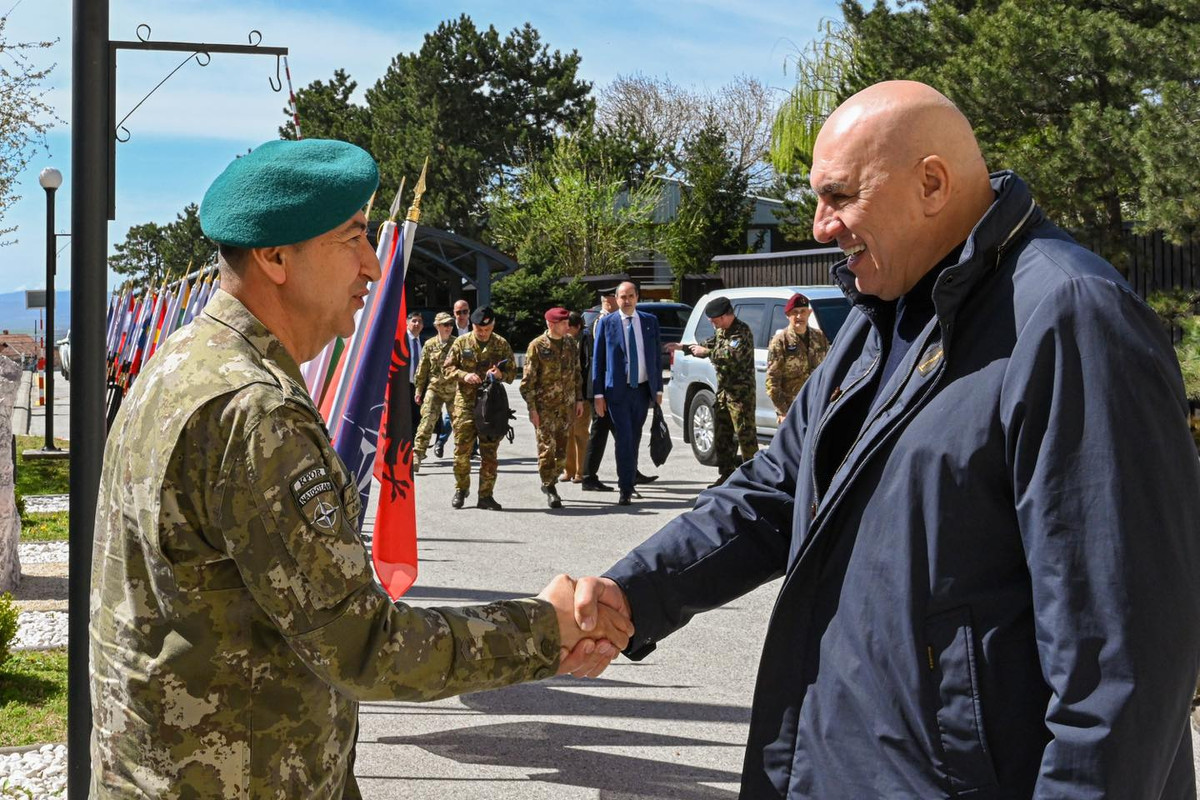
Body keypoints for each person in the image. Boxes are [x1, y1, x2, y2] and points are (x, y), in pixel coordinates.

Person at [574, 81, 1200, 797]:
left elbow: (1122, 669)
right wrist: (632, 594)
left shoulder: (1071, 321)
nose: (818, 225)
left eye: (839, 196)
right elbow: (774, 492)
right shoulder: (886, 314)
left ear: (931, 182)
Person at [89, 138, 633, 800]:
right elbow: (365, 645)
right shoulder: (256, 412)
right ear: (275, 256)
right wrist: (547, 628)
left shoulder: (183, 363)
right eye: (352, 240)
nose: (374, 268)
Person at [669, 296, 757, 486]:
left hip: (740, 396)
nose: (711, 322)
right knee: (722, 436)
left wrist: (706, 353)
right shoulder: (721, 331)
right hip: (724, 394)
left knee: (745, 437)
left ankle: (754, 479)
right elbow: (707, 344)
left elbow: (729, 355)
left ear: (726, 316)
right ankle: (726, 475)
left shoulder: (741, 332)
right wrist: (683, 347)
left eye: (714, 318)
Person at [591, 281, 663, 506]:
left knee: (635, 437)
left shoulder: (650, 322)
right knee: (624, 437)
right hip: (617, 392)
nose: (626, 300)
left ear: (637, 297)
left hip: (642, 390)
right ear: (615, 299)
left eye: (630, 296)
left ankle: (629, 479)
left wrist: (658, 388)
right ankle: (625, 487)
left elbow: (655, 358)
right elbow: (598, 360)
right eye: (622, 297)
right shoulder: (607, 323)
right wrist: (598, 394)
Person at [444, 305, 516, 510]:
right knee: (462, 451)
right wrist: (464, 375)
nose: (483, 333)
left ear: (492, 325)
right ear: (473, 326)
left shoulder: (501, 344)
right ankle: (461, 488)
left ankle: (485, 495)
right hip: (465, 404)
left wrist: (502, 375)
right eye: (479, 329)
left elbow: (512, 371)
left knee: (489, 452)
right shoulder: (461, 342)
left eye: (487, 329)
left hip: (491, 406)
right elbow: (447, 368)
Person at [520, 307, 585, 509]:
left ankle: (551, 478)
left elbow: (576, 373)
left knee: (562, 453)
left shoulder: (570, 343)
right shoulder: (537, 346)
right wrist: (532, 409)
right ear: (551, 324)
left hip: (566, 406)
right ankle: (550, 487)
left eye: (567, 323)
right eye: (563, 323)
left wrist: (579, 400)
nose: (568, 326)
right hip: (544, 408)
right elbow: (527, 382)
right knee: (547, 450)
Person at [765, 292, 828, 424]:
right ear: (788, 315)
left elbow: (828, 369)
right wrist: (782, 412)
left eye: (803, 311)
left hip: (817, 406)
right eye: (795, 312)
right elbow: (772, 382)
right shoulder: (780, 341)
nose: (799, 316)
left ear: (809, 313)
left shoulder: (819, 337)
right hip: (792, 409)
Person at [412, 311, 457, 472]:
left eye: (450, 324)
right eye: (445, 324)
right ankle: (417, 454)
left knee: (460, 424)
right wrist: (418, 390)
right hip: (435, 388)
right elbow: (422, 369)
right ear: (437, 326)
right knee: (427, 421)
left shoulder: (457, 343)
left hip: (454, 390)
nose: (448, 327)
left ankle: (462, 456)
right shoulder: (430, 344)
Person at [562, 311, 591, 483]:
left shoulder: (586, 340)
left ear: (577, 327)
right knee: (568, 433)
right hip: (566, 394)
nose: (565, 329)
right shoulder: (565, 340)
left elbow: (586, 367)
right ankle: (569, 470)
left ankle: (582, 471)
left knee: (580, 432)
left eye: (569, 327)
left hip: (583, 394)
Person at [404, 311, 424, 433]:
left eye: (420, 322)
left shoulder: (424, 342)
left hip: (418, 386)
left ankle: (414, 448)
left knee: (418, 417)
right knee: (405, 417)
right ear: (407, 323)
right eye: (414, 321)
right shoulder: (402, 340)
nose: (417, 324)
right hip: (404, 385)